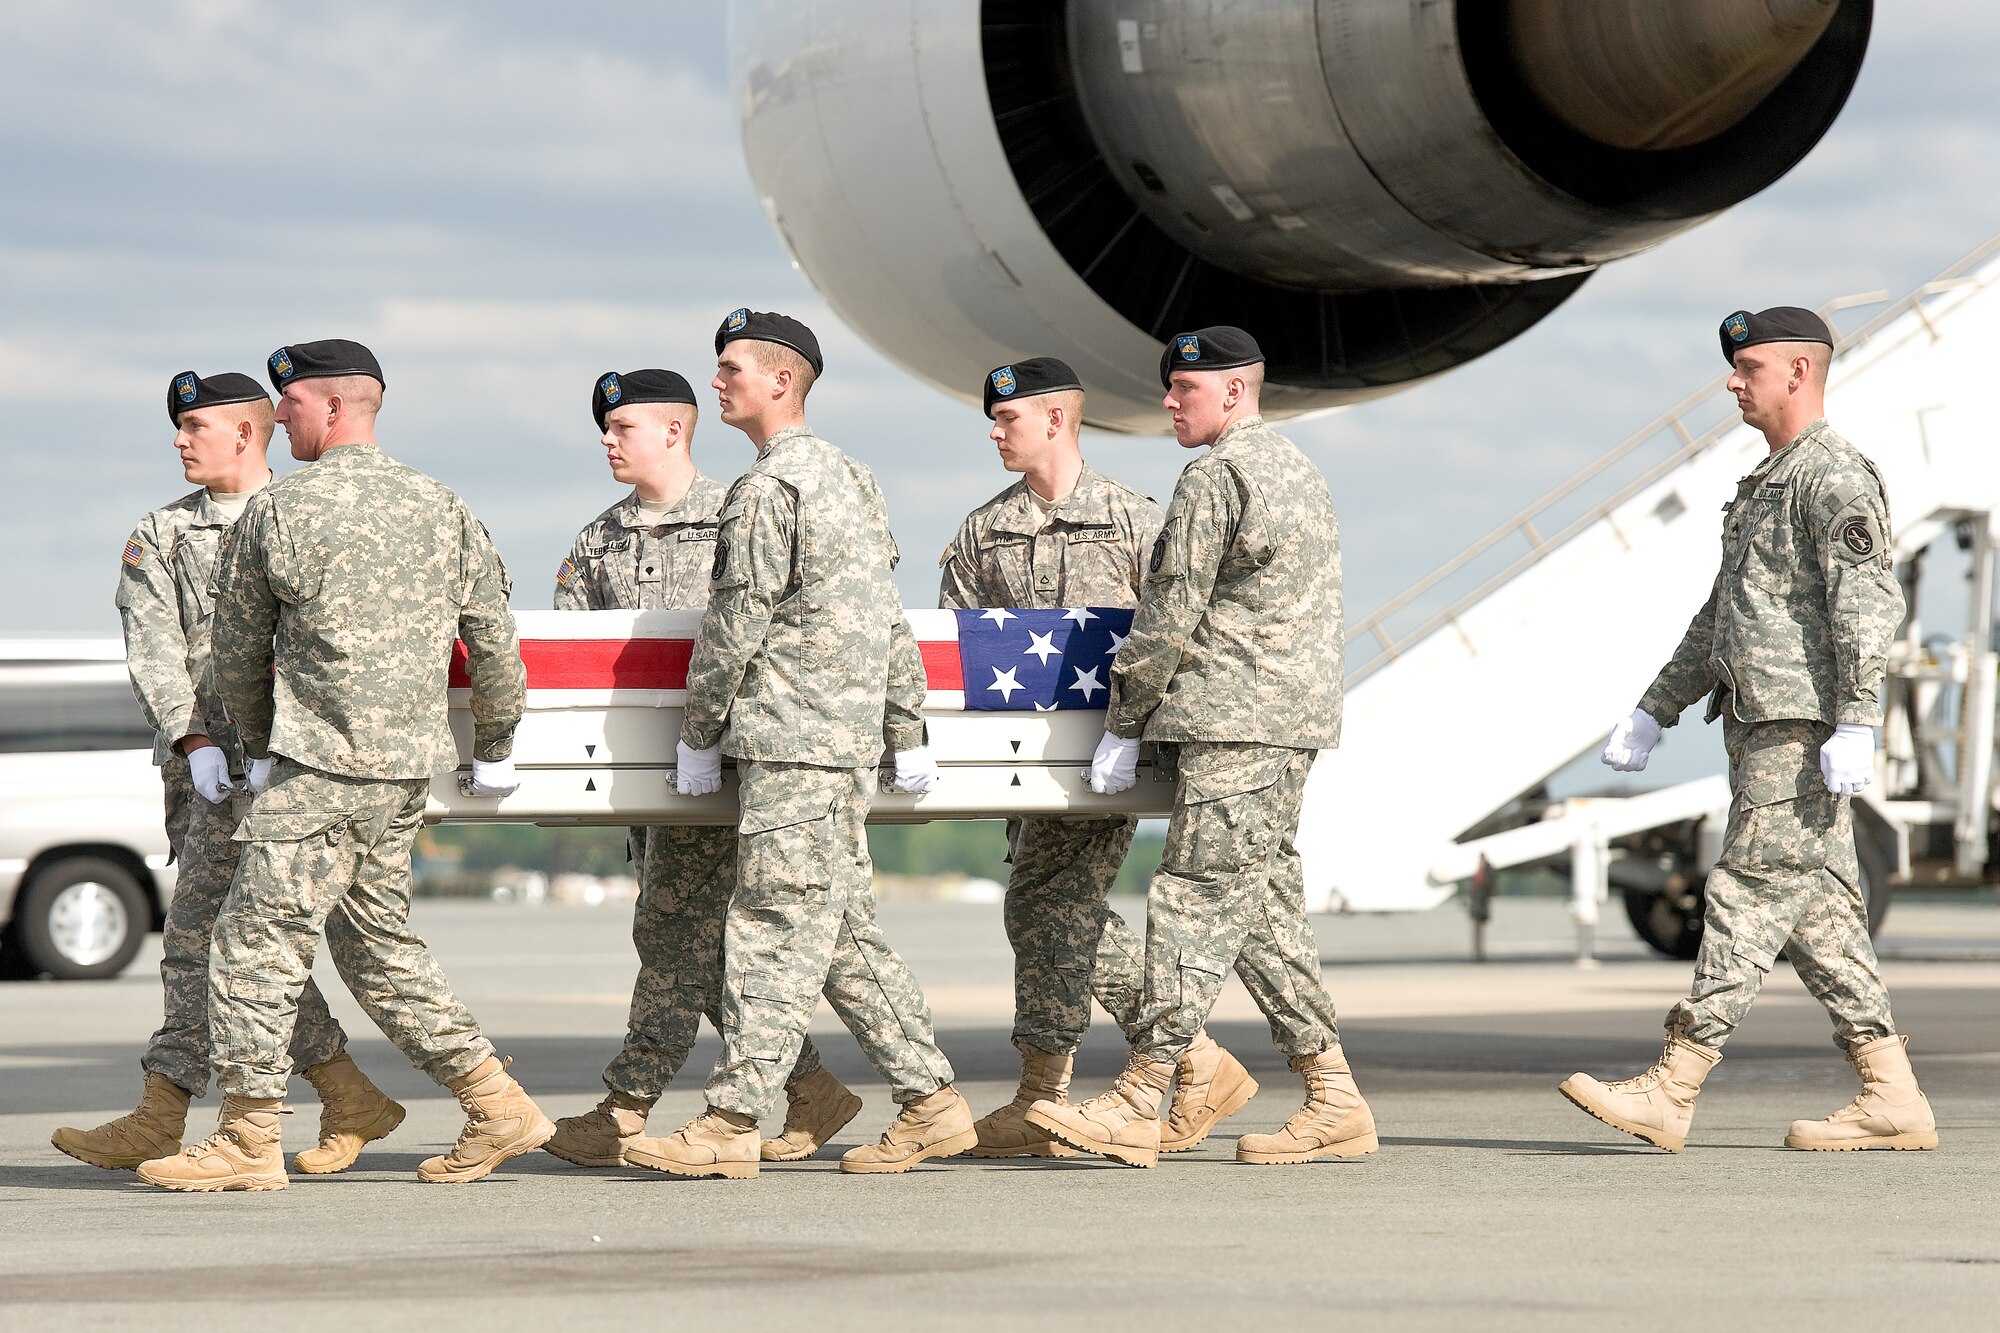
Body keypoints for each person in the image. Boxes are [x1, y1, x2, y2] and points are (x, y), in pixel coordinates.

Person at [135, 339, 553, 1191]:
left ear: (331, 407)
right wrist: (497, 745)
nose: (277, 416)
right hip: (404, 770)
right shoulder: (444, 505)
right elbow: (496, 643)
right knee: (374, 946)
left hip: (318, 765)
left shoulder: (280, 512)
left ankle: (250, 1137)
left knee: (250, 939)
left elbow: (240, 657)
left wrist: (254, 751)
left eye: (289, 404)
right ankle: (498, 1099)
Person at [1562, 306, 1936, 1153]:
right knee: (1825, 919)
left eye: (1750, 367)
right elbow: (1724, 617)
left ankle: (1675, 1081)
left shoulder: (1832, 477)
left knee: (1745, 891)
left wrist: (1858, 719)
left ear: (1799, 373)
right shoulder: (1767, 481)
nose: (1733, 380)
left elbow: (1868, 607)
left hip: (1800, 728)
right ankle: (1894, 1095)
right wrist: (1655, 706)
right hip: (1763, 722)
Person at [624, 309, 971, 1179]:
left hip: (790, 740)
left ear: (781, 380)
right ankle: (932, 1102)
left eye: (732, 368)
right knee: (845, 938)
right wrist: (903, 724)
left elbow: (736, 621)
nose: (718, 382)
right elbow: (887, 617)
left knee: (772, 925)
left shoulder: (770, 486)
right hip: (840, 743)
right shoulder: (853, 477)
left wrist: (698, 734)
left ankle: (732, 1118)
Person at [1027, 326, 1375, 1168]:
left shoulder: (1217, 474)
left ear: (1235, 391)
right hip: (1283, 719)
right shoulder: (1299, 469)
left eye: (1185, 388)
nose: (1170, 401)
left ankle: (1142, 1092)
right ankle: (1333, 1095)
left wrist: (1122, 721)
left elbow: (1168, 611)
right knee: (1259, 909)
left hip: (1230, 722)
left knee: (1189, 895)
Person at [55, 372, 400, 1177]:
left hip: (300, 771)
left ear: (247, 433)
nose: (180, 439)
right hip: (209, 775)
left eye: (196, 426)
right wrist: (192, 739)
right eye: (177, 427)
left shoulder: (310, 515)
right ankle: (338, 1093)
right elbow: (153, 648)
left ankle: (186, 1111)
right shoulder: (163, 534)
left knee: (225, 942)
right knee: (222, 942)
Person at [542, 367, 860, 1169]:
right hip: (647, 778)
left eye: (623, 429)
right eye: (604, 430)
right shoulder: (596, 541)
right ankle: (810, 1084)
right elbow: (574, 657)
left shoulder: (738, 511)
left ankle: (628, 1102)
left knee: (670, 931)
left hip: (733, 762)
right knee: (696, 944)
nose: (608, 443)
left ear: (674, 431)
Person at [939, 356, 1256, 1158]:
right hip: (1021, 763)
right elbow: (952, 647)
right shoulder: (982, 532)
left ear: (1055, 420)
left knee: (1047, 904)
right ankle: (1162, 1063)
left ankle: (1072, 1081)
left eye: (1009, 418)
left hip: (1108, 754)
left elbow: (1182, 628)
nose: (994, 430)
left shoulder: (1136, 523)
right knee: (1046, 907)